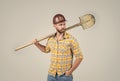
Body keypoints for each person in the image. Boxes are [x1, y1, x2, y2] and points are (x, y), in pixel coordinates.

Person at [32, 14, 83, 81]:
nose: (63, 26)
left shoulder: (71, 39)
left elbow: (79, 57)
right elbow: (46, 50)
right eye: (60, 25)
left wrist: (70, 72)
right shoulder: (51, 39)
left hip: (65, 76)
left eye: (64, 24)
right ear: (54, 25)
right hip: (51, 75)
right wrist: (37, 44)